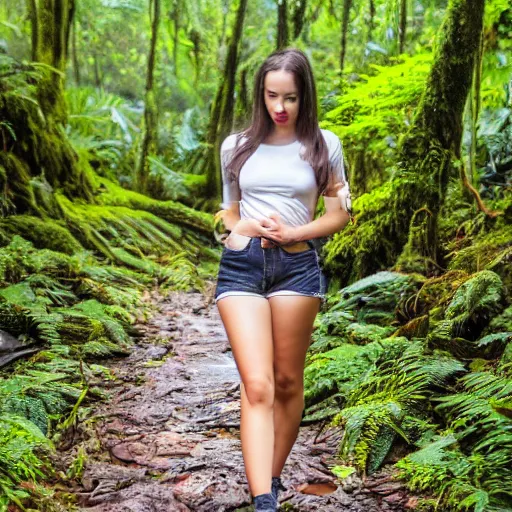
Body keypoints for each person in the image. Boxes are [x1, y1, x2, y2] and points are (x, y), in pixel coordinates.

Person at [213, 48, 351, 512]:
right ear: (261, 94)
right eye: (272, 96)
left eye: (290, 98)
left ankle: (271, 475)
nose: (280, 107)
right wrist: (238, 229)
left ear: (304, 97)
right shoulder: (236, 145)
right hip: (242, 265)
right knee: (258, 385)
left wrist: (294, 231)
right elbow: (227, 211)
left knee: (289, 381)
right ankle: (263, 501)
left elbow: (340, 215)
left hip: (296, 265)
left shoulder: (323, 145)